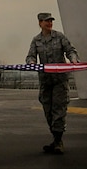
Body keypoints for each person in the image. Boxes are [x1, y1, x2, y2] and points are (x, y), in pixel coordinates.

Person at [26, 12, 78, 155]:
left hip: (59, 80)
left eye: (50, 21)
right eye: (46, 21)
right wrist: (31, 63)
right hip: (46, 81)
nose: (49, 23)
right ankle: (55, 138)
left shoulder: (59, 37)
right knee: (48, 110)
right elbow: (30, 56)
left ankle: (59, 141)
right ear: (40, 23)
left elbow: (70, 50)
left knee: (59, 110)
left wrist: (73, 60)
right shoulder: (36, 40)